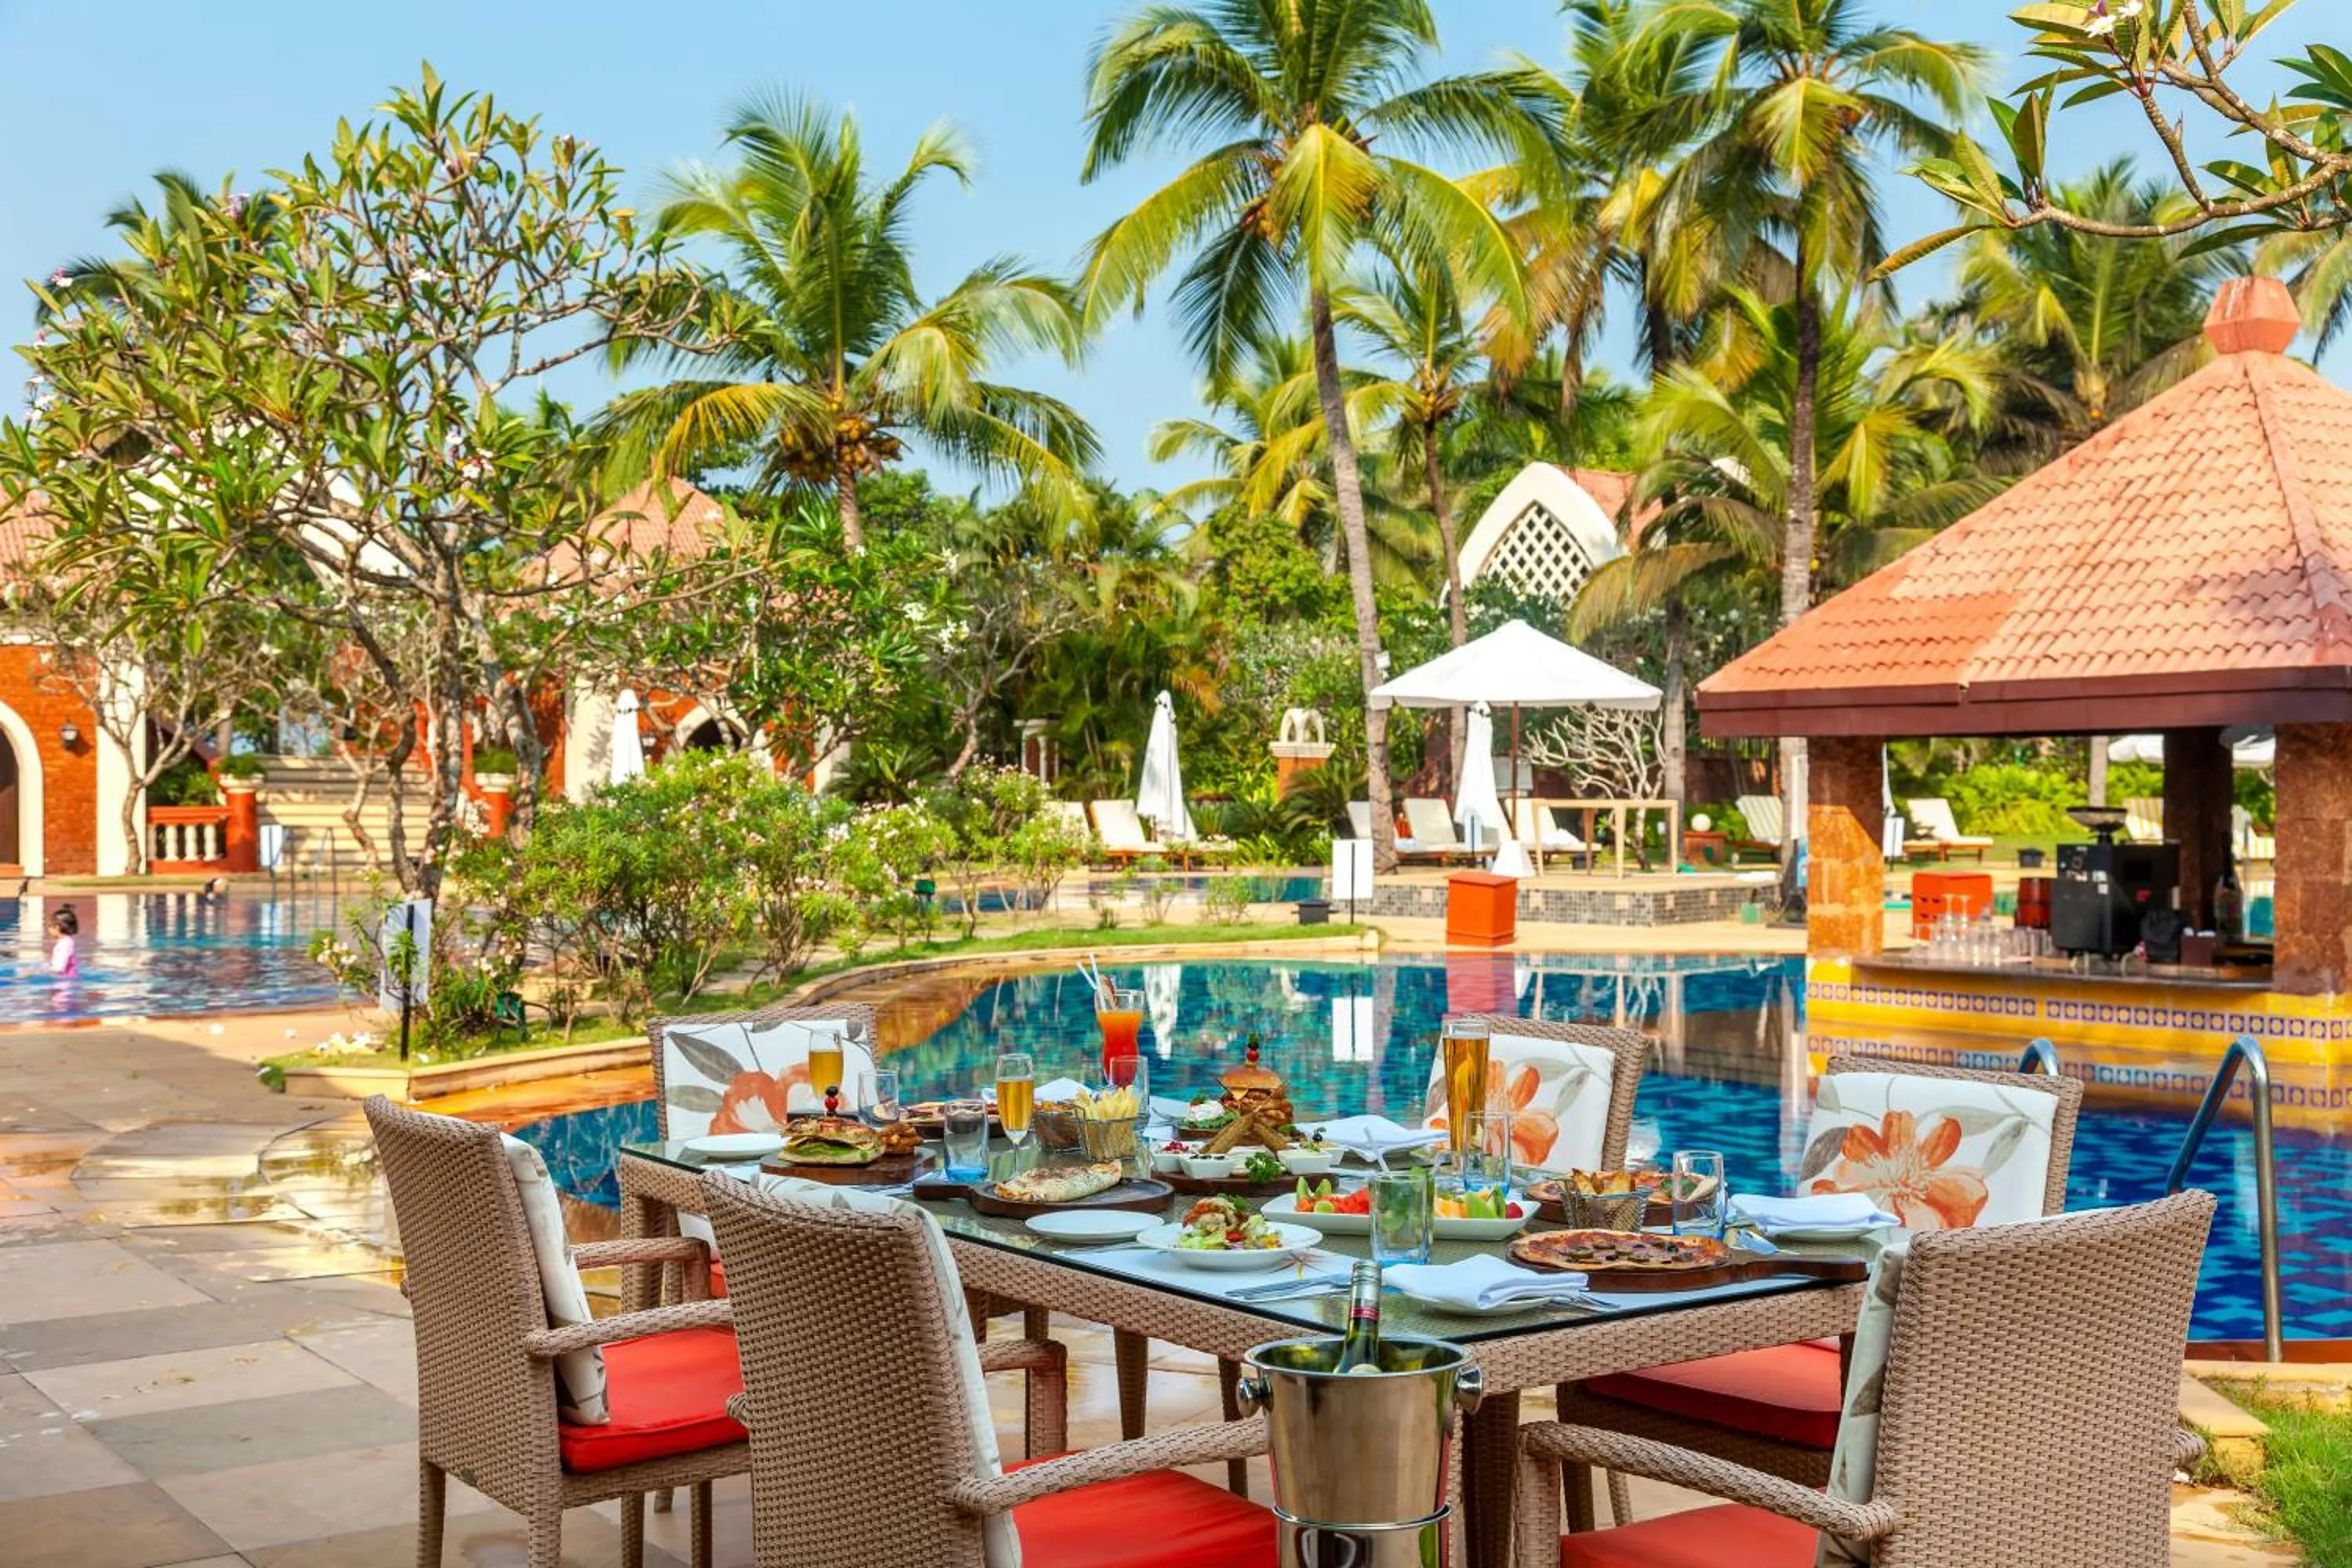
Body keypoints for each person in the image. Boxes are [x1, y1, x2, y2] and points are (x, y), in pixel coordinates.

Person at [48, 907, 80, 979]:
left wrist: (37, 973)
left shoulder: (64, 945)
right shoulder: (66, 942)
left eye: (50, 926)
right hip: (66, 980)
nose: (48, 929)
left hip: (64, 983)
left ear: (57, 928)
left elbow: (58, 968)